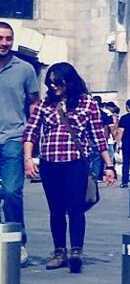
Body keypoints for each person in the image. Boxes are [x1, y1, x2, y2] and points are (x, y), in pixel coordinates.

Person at [22, 62, 116, 271]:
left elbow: (98, 136)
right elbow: (31, 133)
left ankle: (76, 250)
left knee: (75, 208)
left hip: (75, 162)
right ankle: (59, 251)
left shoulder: (87, 104)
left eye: (58, 82)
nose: (53, 86)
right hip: (49, 163)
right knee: (55, 209)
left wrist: (109, 166)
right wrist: (28, 159)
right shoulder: (44, 105)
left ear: (69, 80)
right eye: (50, 83)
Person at [0, 23, 40, 266]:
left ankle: (18, 241)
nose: (4, 43)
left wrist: (31, 136)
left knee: (12, 192)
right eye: (0, 38)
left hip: (14, 137)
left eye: (8, 39)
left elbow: (34, 103)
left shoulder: (25, 69)